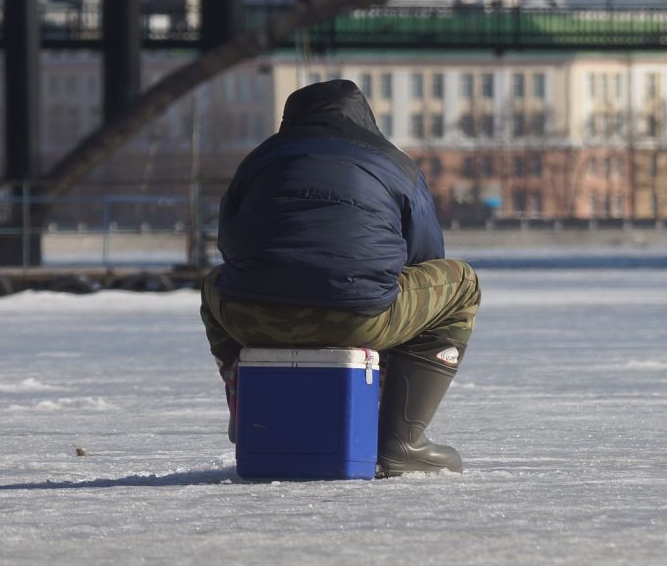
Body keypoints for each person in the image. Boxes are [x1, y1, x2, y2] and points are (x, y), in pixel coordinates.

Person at [200, 78, 479, 477]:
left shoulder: (260, 160)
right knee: (462, 284)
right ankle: (403, 442)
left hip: (253, 317)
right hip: (358, 318)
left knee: (215, 282)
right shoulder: (394, 163)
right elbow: (427, 256)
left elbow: (229, 245)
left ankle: (247, 404)